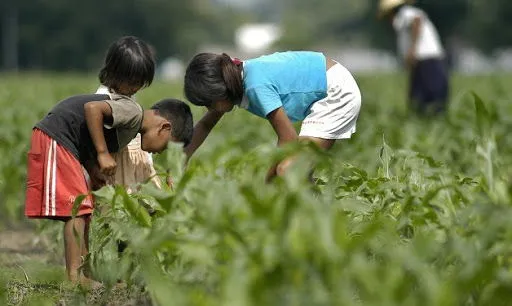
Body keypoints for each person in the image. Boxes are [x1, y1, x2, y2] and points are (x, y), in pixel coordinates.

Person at [24, 92, 193, 284]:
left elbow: (85, 136)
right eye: (166, 147)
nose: (161, 152)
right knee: (76, 211)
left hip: (68, 142)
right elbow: (91, 109)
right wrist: (103, 154)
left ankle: (84, 271)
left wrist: (92, 168)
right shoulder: (133, 113)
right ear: (164, 128)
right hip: (58, 137)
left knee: (83, 209)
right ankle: (74, 278)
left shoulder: (129, 129)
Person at [183, 51, 361, 180]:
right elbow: (205, 125)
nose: (209, 108)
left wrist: (266, 183)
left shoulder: (255, 87)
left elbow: (288, 139)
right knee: (295, 170)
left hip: (335, 92)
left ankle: (317, 219)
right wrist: (181, 159)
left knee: (288, 170)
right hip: (329, 83)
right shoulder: (234, 76)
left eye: (208, 103)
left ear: (222, 91)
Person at [94, 36, 169, 193]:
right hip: (117, 165)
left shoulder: (126, 93)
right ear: (114, 73)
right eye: (132, 82)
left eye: (140, 83)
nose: (135, 87)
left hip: (133, 161)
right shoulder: (104, 98)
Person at [378, 0, 449, 115]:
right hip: (424, 63)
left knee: (428, 101)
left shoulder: (406, 13)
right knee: (419, 102)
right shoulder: (403, 19)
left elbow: (416, 20)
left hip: (427, 62)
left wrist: (412, 50)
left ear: (391, 12)